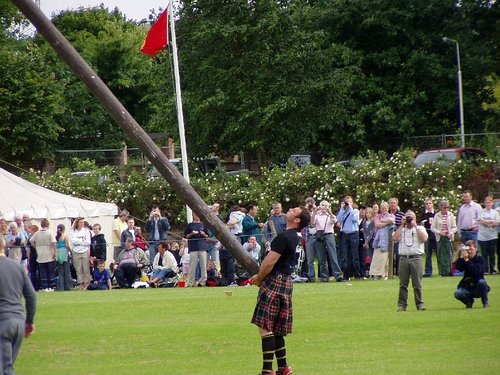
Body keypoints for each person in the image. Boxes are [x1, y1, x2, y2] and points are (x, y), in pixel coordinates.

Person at [251, 206, 311, 375]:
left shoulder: (283, 237)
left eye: (294, 211)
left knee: (265, 326)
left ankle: (267, 370)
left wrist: (259, 277)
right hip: (287, 282)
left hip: (274, 281)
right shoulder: (299, 238)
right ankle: (284, 368)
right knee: (277, 327)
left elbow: (269, 262)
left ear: (297, 220)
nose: (290, 209)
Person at [0, 236, 37, 375]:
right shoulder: (17, 267)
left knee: (4, 370)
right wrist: (30, 321)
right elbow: (31, 296)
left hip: (2, 322)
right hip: (18, 322)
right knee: (7, 367)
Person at [392, 210, 428, 311]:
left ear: (415, 219)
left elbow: (424, 239)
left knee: (417, 283)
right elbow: (394, 238)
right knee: (403, 284)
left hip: (416, 258)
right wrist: (401, 225)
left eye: (410, 217)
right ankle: (402, 305)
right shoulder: (401, 229)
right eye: (407, 217)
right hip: (403, 258)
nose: (409, 220)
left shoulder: (420, 228)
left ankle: (419, 303)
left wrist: (415, 226)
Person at [454, 241, 490, 308]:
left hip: (478, 287)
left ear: (476, 249)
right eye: (468, 250)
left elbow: (477, 272)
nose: (469, 252)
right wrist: (460, 255)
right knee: (457, 293)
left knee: (482, 282)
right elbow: (459, 268)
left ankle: (485, 303)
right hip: (467, 286)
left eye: (471, 249)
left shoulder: (480, 259)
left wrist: (467, 260)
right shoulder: (464, 259)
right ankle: (469, 302)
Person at [313, 200, 343, 282]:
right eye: (322, 205)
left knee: (333, 256)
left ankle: (338, 275)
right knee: (321, 257)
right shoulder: (317, 215)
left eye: (326, 206)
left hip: (329, 235)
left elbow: (334, 221)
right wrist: (315, 212)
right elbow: (312, 223)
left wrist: (329, 212)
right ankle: (324, 276)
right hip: (320, 236)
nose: (324, 208)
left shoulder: (330, 216)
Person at [337, 196, 362, 279]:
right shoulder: (343, 211)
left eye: (349, 202)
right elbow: (338, 219)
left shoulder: (355, 211)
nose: (348, 203)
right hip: (345, 234)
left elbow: (355, 219)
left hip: (353, 233)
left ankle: (357, 274)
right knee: (345, 256)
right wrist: (341, 208)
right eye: (346, 202)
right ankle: (346, 275)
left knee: (354, 255)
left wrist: (350, 208)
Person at [431, 200, 457, 276]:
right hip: (440, 238)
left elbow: (455, 227)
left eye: (447, 207)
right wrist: (439, 232)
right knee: (440, 255)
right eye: (444, 207)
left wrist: (451, 233)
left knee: (449, 255)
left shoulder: (451, 215)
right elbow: (432, 227)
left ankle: (450, 271)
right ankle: (442, 272)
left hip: (448, 238)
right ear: (441, 207)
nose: (446, 209)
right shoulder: (437, 215)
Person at [29, 219, 57, 292]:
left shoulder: (37, 233)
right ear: (48, 225)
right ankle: (51, 286)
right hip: (49, 253)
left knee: (43, 271)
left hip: (40, 253)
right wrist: (55, 252)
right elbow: (54, 243)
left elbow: (31, 240)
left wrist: (36, 247)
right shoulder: (50, 233)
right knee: (50, 270)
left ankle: (45, 287)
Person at [369, 202, 394, 280]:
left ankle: (384, 274)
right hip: (378, 240)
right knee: (376, 258)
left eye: (385, 208)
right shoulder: (377, 216)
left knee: (385, 258)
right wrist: (386, 222)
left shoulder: (391, 215)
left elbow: (392, 220)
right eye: (382, 208)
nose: (384, 209)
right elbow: (377, 225)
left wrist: (382, 221)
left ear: (388, 208)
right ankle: (375, 274)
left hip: (387, 239)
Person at [184, 214, 210, 287]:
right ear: (193, 216)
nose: (197, 216)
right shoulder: (190, 225)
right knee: (192, 266)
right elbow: (186, 236)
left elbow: (207, 236)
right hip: (193, 247)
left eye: (198, 215)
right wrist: (192, 234)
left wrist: (203, 234)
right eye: (195, 215)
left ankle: (203, 282)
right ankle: (191, 282)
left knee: (203, 265)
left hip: (203, 247)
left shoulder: (203, 224)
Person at [477, 196, 499, 275]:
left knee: (492, 253)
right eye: (486, 203)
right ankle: (485, 270)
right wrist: (491, 222)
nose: (488, 204)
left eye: (489, 203)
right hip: (483, 237)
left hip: (492, 236)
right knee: (484, 254)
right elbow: (481, 221)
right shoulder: (481, 212)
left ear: (492, 203)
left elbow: (497, 222)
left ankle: (492, 269)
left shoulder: (495, 213)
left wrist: (487, 222)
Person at [70, 217, 92, 290]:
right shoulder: (73, 231)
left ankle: (87, 283)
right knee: (78, 269)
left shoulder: (86, 231)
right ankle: (81, 283)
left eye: (83, 222)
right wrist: (82, 242)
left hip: (84, 251)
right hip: (76, 251)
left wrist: (79, 243)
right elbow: (73, 241)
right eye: (80, 222)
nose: (82, 224)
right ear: (77, 223)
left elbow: (88, 242)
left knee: (86, 268)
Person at [419, 198, 437, 277]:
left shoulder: (436, 214)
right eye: (427, 204)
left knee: (438, 253)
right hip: (427, 234)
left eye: (430, 203)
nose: (428, 205)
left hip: (435, 234)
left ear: (432, 204)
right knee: (428, 254)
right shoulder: (423, 214)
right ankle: (428, 272)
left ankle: (442, 271)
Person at [55, 224, 73, 291]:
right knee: (67, 271)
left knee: (60, 272)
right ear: (64, 229)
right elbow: (67, 245)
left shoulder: (56, 236)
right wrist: (70, 252)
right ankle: (68, 287)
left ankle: (61, 287)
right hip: (65, 253)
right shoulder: (65, 236)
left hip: (59, 254)